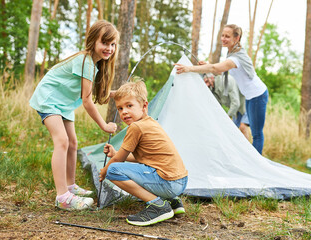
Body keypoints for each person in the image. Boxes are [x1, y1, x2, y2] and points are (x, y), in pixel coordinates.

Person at [29, 20, 119, 210]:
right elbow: (86, 100)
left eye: (113, 44)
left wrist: (112, 93)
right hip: (50, 99)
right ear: (93, 41)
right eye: (105, 43)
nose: (109, 48)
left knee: (72, 142)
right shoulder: (85, 60)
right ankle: (62, 196)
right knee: (61, 141)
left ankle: (70, 186)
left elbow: (90, 92)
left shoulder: (94, 65)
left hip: (64, 104)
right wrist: (104, 125)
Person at [99, 81, 188, 226]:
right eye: (120, 108)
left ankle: (158, 206)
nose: (124, 112)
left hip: (168, 182)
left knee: (112, 170)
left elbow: (117, 161)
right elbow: (144, 157)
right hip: (180, 181)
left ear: (144, 106)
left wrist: (104, 171)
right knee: (141, 169)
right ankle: (172, 201)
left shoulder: (136, 127)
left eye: (129, 106)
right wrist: (115, 153)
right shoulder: (150, 122)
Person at [175, 24, 268, 154]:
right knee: (248, 130)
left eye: (227, 36)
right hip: (249, 97)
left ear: (236, 38)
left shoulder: (236, 57)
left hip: (258, 95)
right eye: (222, 35)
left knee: (257, 133)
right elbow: (220, 71)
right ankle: (251, 159)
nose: (223, 38)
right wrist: (208, 65)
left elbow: (215, 69)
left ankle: (259, 165)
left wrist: (189, 68)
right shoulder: (232, 52)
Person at [203, 73, 250, 141]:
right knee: (233, 132)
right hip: (236, 110)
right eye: (205, 83)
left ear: (212, 78)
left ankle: (248, 150)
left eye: (207, 81)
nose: (207, 85)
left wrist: (228, 116)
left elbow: (236, 103)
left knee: (243, 127)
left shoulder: (226, 82)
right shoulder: (212, 89)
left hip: (246, 105)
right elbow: (217, 107)